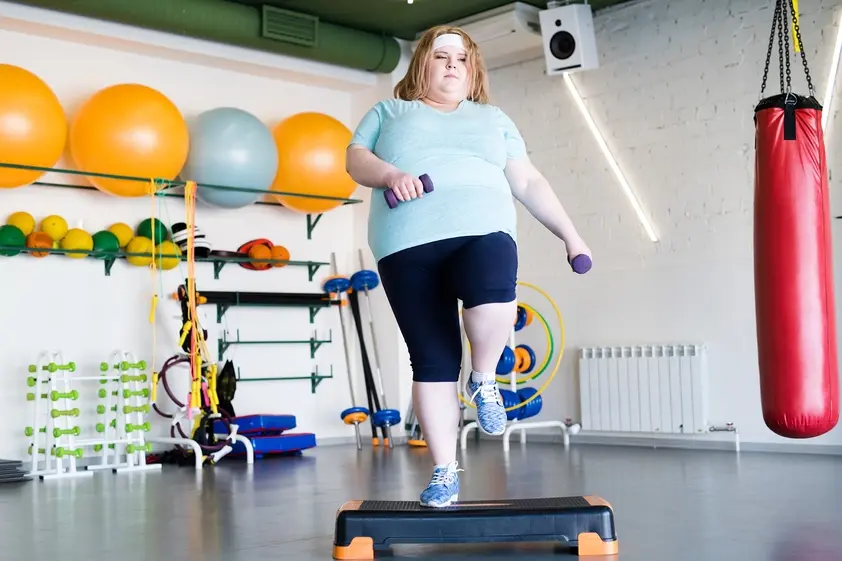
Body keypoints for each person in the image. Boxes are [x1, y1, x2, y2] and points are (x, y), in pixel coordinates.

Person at [345, 25, 591, 508]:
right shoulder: (389, 112)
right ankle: (444, 472)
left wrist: (570, 233)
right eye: (441, 56)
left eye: (461, 57)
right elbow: (356, 161)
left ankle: (482, 379)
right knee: (433, 361)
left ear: (472, 68)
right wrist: (392, 174)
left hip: (482, 227)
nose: (452, 64)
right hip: (405, 244)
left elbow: (527, 180)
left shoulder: (493, 118)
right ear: (423, 65)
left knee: (495, 299)